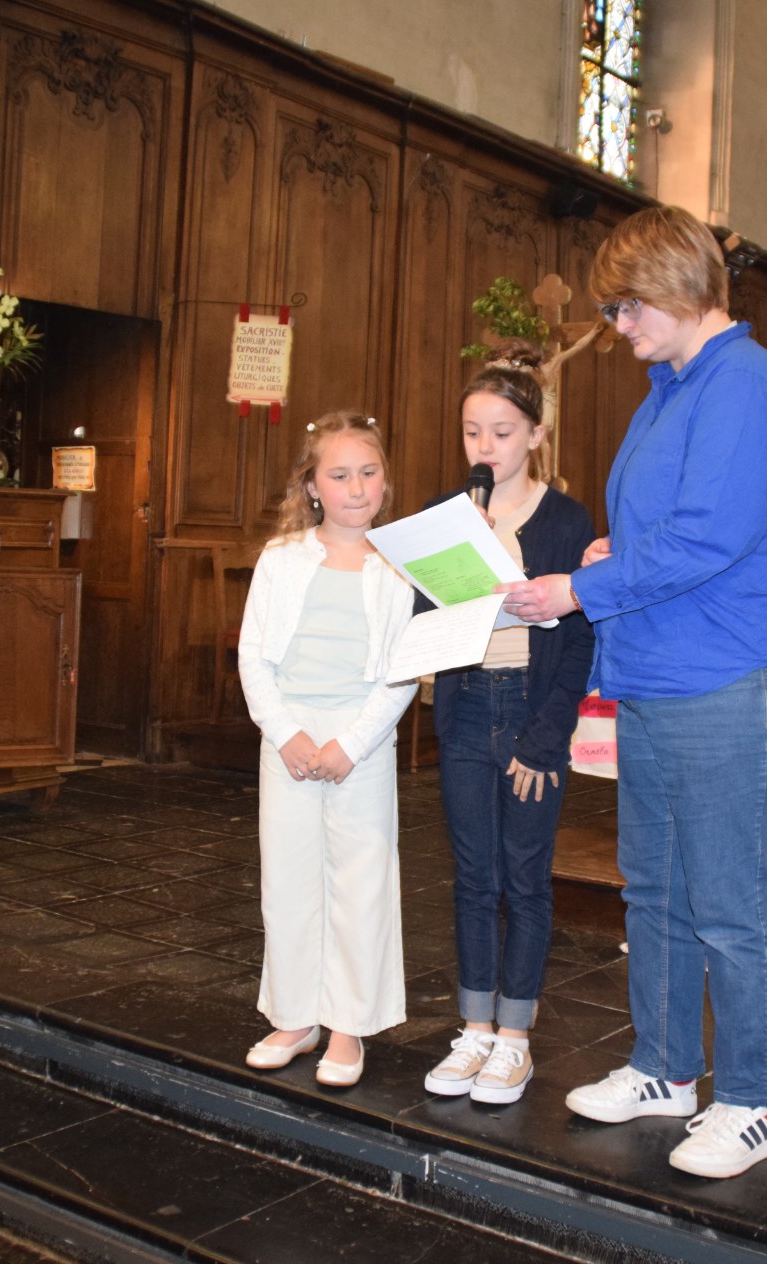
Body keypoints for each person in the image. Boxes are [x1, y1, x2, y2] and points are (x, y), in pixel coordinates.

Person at [499, 206, 767, 1179]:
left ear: (683, 289)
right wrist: (609, 553)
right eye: (612, 305)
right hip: (663, 668)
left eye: (627, 303)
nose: (617, 323)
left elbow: (707, 543)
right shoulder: (671, 387)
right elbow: (666, 533)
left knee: (728, 900)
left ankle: (752, 1098)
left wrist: (577, 584)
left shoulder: (746, 384)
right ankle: (664, 1067)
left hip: (738, 672)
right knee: (654, 886)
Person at [418, 342, 595, 1107]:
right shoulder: (452, 519)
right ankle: (474, 1029)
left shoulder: (567, 520)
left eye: (500, 431)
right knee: (472, 877)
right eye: (471, 432)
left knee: (524, 879)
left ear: (535, 434)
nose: (484, 448)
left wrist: (546, 736)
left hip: (529, 712)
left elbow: (580, 637)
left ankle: (515, 1039)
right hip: (465, 708)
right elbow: (427, 623)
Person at [236, 412, 416, 1087]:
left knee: (360, 883)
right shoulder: (282, 558)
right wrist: (286, 733)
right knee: (288, 880)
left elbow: (404, 666)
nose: (356, 487)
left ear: (385, 482)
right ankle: (294, 1015)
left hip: (358, 737)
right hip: (291, 735)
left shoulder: (399, 564)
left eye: (368, 473)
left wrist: (352, 742)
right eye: (339, 475)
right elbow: (254, 657)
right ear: (312, 485)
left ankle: (348, 1025)